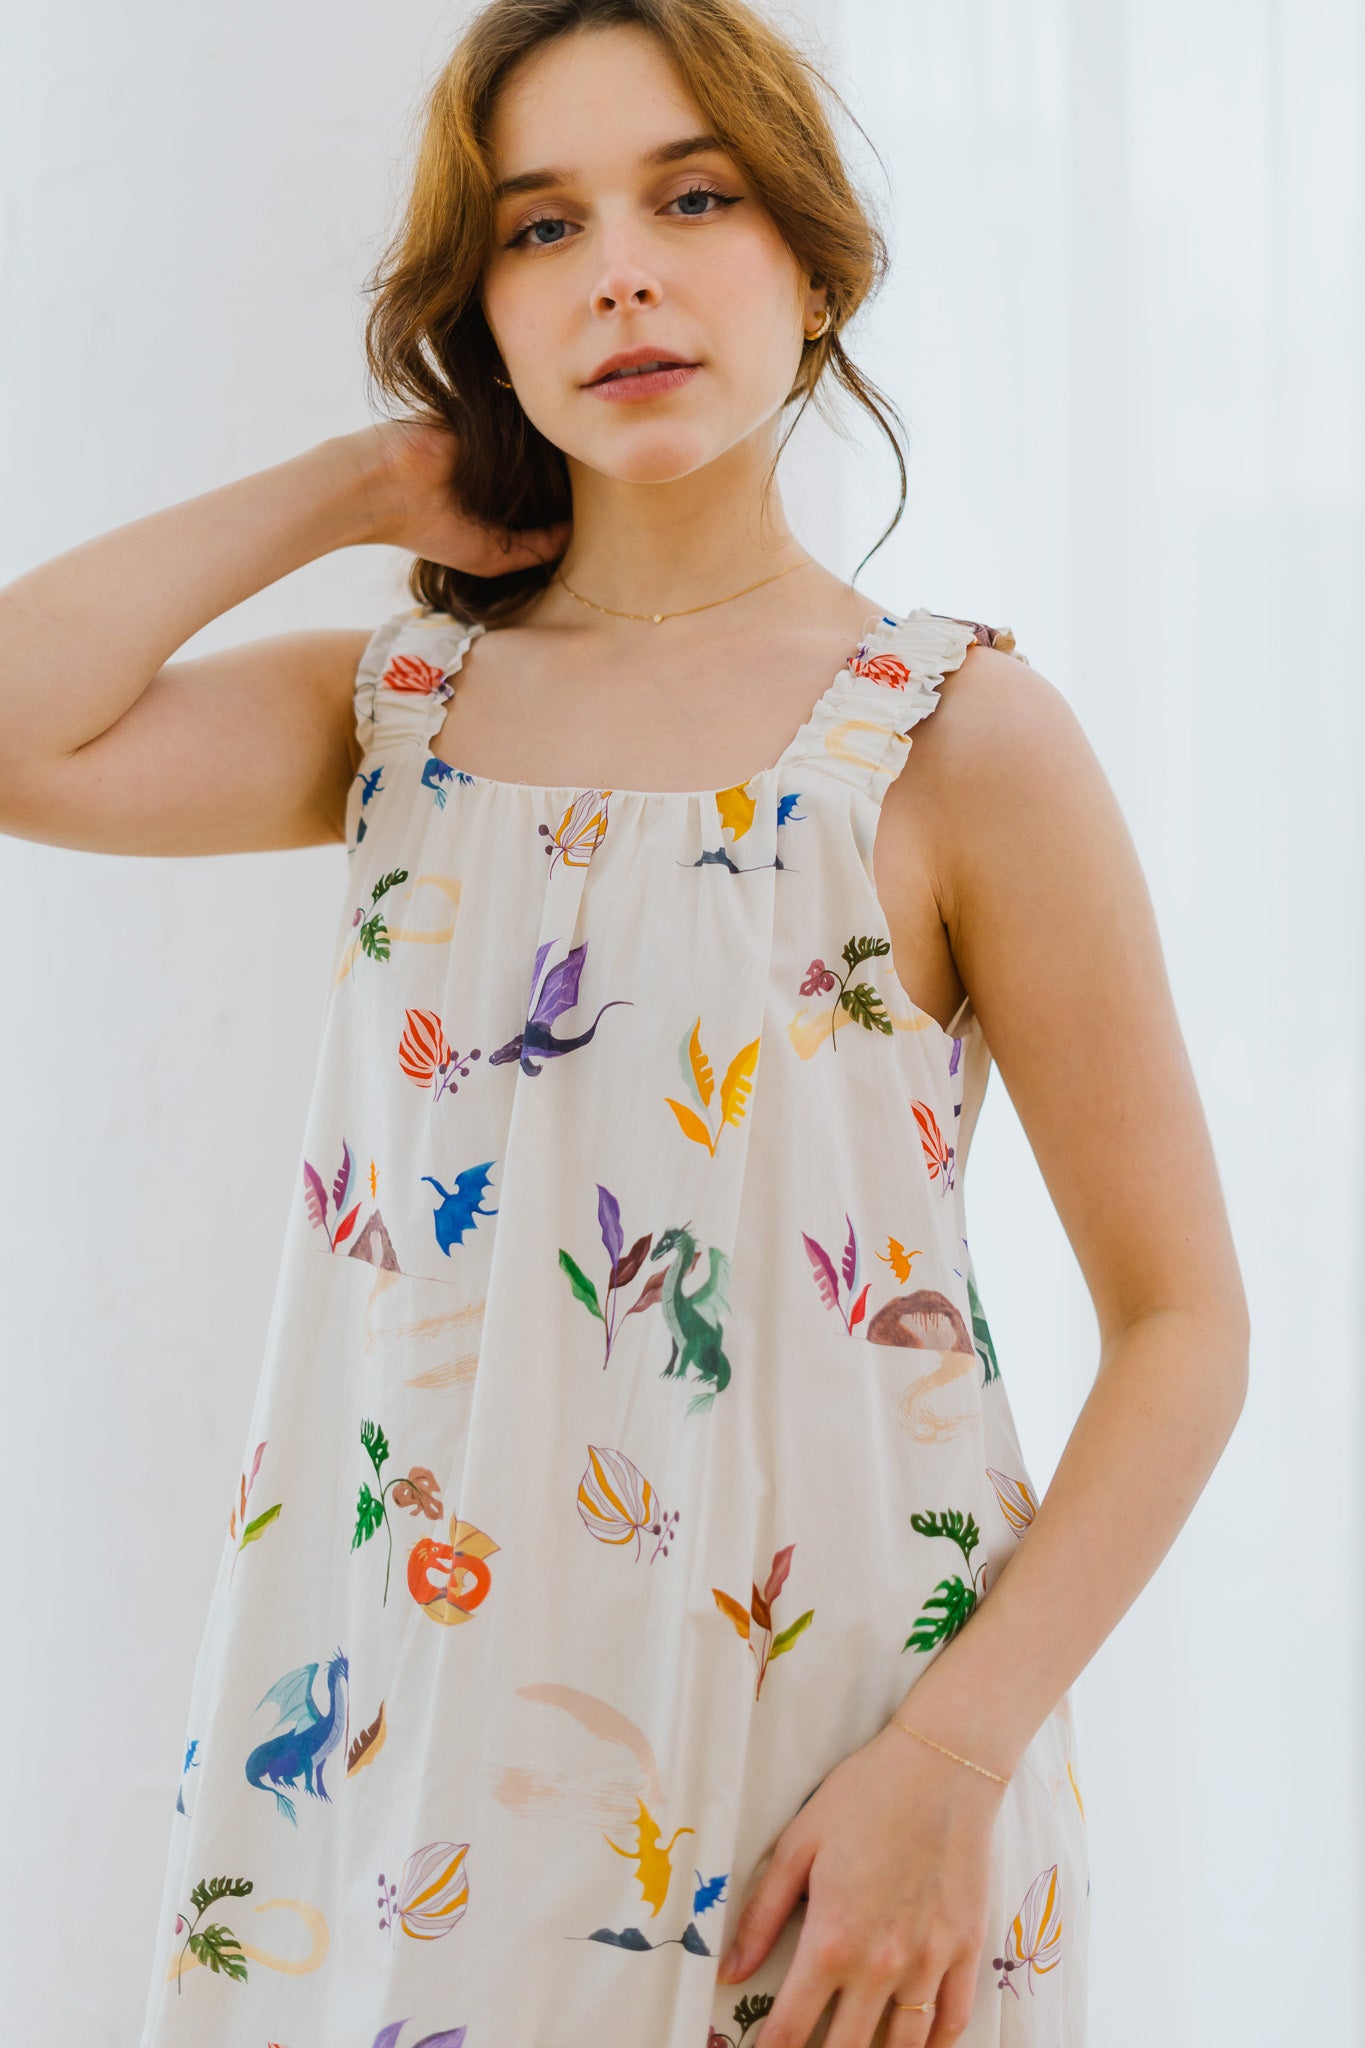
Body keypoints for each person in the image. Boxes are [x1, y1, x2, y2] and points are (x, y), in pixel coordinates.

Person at [0, 2, 1250, 2044]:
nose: (622, 275)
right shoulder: (396, 714)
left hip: (847, 1794)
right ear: (481, 316)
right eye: (540, 228)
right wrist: (356, 482)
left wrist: (947, 1771)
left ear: (813, 262)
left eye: (692, 198)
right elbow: (15, 728)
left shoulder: (952, 737)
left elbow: (1183, 1325)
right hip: (398, 1770)